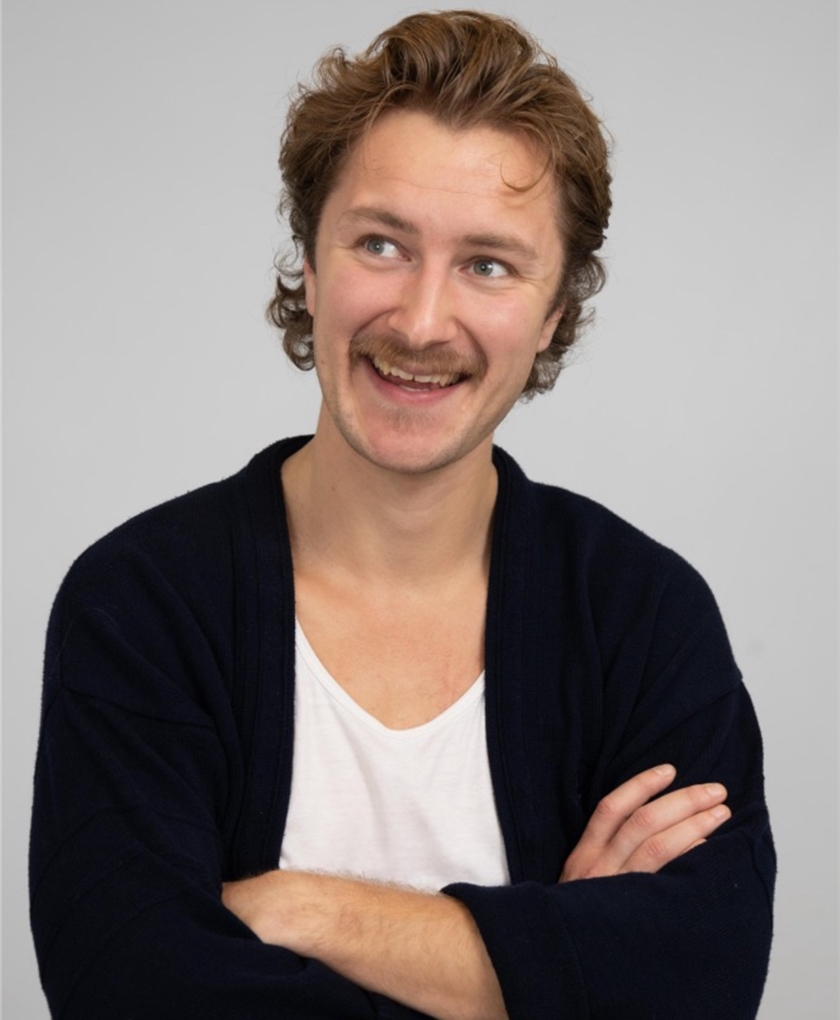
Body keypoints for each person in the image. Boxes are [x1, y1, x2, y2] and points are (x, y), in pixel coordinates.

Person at [29, 10, 774, 1019]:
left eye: (488, 264)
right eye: (381, 244)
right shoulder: (143, 604)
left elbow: (704, 980)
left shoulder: (641, 614)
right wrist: (559, 962)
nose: (422, 322)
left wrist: (306, 909)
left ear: (554, 314)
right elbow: (129, 987)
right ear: (311, 263)